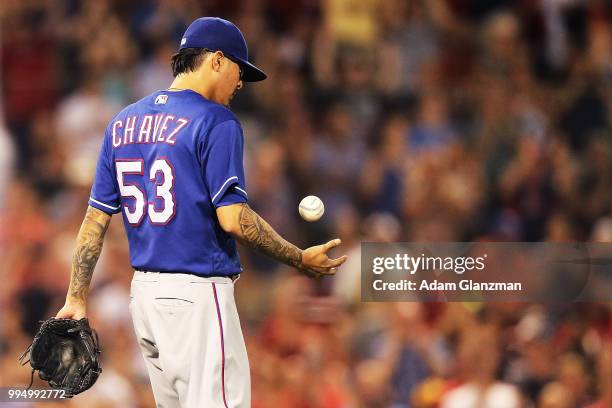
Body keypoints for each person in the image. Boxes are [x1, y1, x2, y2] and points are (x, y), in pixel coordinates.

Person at [55, 17, 347, 408]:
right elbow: (233, 219)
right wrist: (298, 257)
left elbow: (96, 219)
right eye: (239, 70)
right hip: (197, 297)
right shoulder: (216, 121)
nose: (240, 83)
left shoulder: (123, 121)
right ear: (216, 61)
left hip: (144, 300)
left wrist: (76, 298)